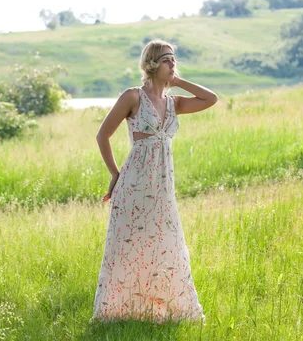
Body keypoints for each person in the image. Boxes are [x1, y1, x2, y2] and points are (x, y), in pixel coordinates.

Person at [91, 39, 218, 323]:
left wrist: (178, 81)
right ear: (151, 64)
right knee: (128, 246)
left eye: (174, 59)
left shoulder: (175, 103)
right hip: (134, 184)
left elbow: (211, 99)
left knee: (166, 245)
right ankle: (120, 311)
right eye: (166, 60)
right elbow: (102, 135)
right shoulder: (132, 97)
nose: (172, 63)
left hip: (163, 187)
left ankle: (159, 309)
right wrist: (115, 173)